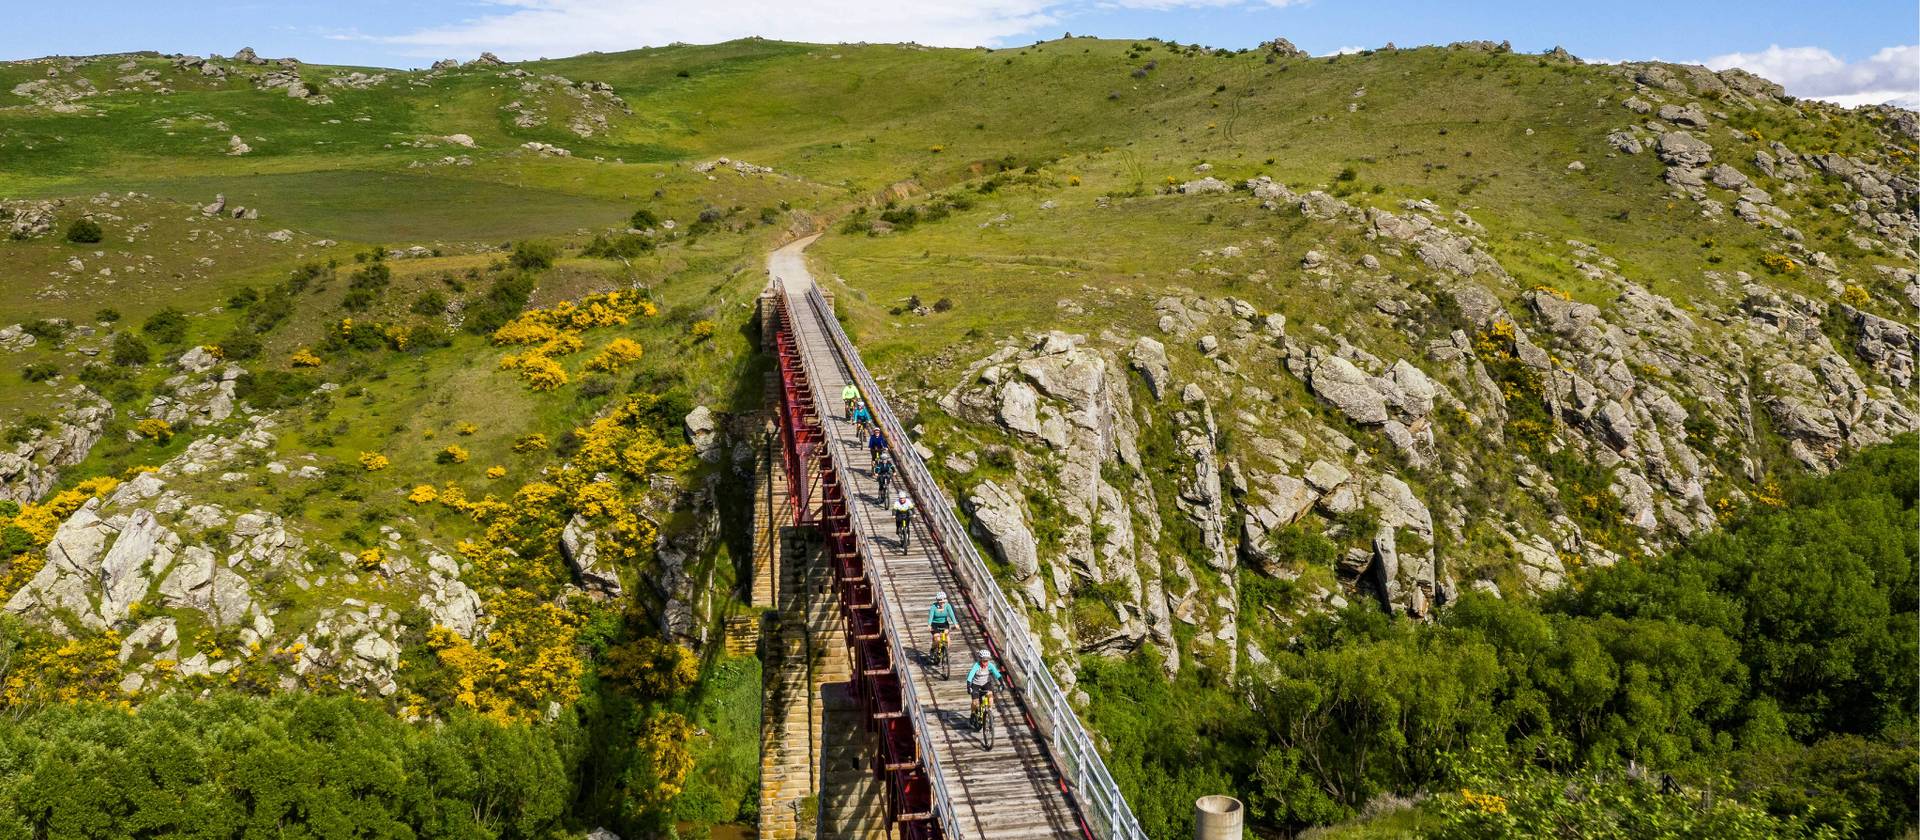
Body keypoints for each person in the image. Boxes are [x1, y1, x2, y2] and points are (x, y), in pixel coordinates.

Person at [966, 649, 1002, 727]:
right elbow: (970, 676)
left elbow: (997, 674)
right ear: (980, 660)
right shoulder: (976, 666)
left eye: (987, 660)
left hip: (986, 683)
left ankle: (990, 712)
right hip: (976, 684)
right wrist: (968, 686)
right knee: (975, 702)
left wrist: (1002, 683)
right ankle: (972, 713)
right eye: (984, 661)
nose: (985, 663)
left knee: (990, 696)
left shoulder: (990, 665)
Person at [927, 591, 954, 663]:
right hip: (935, 624)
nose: (942, 601)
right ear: (937, 600)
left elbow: (952, 615)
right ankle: (932, 650)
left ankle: (945, 652)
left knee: (947, 639)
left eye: (943, 599)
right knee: (937, 639)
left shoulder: (948, 606)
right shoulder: (933, 607)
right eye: (940, 600)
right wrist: (929, 625)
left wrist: (955, 623)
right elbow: (931, 617)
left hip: (944, 623)